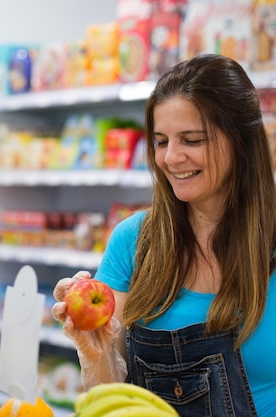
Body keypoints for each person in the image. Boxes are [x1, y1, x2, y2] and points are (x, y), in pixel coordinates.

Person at [52, 54, 276, 417]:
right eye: (160, 141)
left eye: (192, 140)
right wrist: (96, 353)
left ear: (242, 141)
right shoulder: (133, 242)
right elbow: (112, 400)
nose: (171, 158)